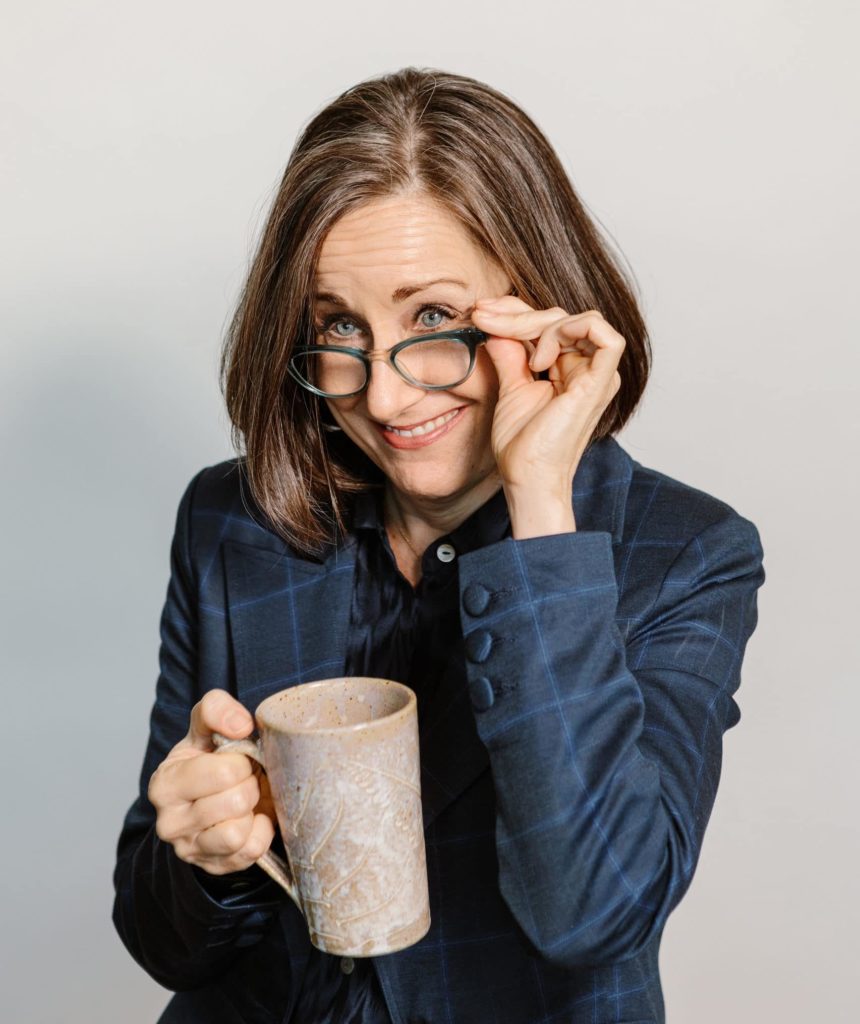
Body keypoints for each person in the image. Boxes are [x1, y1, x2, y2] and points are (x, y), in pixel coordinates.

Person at [112, 66, 766, 1024]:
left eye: (432, 320)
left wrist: (542, 500)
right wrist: (204, 855)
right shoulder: (232, 521)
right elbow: (163, 942)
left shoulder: (683, 552)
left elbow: (591, 911)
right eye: (340, 325)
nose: (381, 396)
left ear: (537, 305)